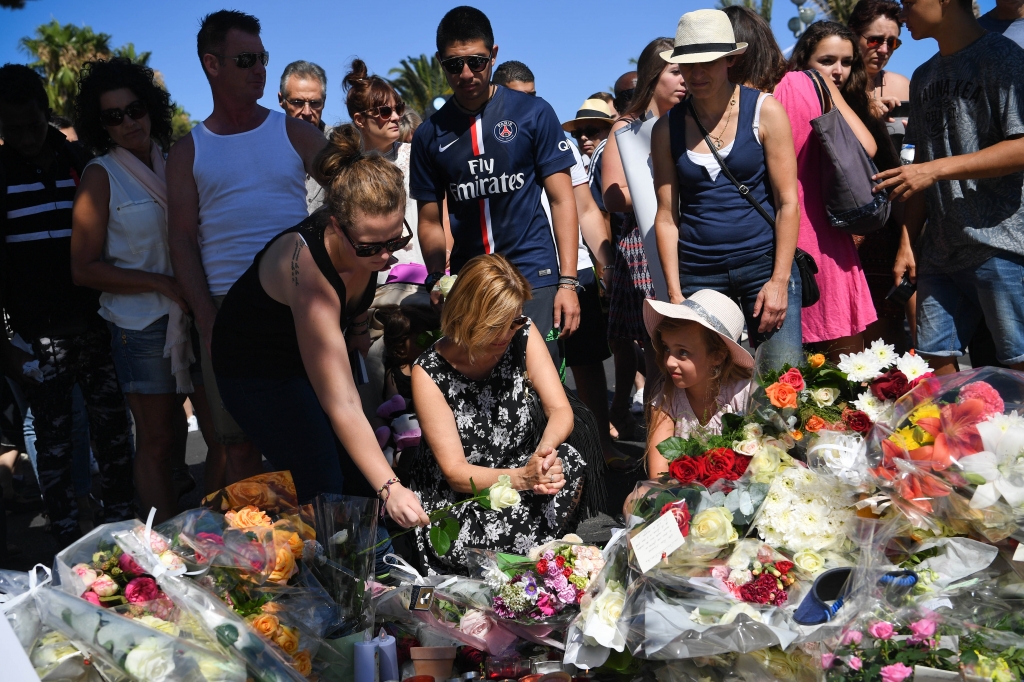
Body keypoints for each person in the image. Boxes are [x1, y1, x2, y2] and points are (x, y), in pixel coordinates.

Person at [211, 124, 429, 539]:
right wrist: (391, 487)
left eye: (396, 241)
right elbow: (342, 404)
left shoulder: (365, 248)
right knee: (323, 477)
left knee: (357, 476)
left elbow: (358, 302)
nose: (385, 257)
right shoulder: (308, 272)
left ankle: (364, 571)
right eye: (370, 247)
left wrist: (361, 327)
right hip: (254, 368)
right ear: (335, 224)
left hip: (303, 353)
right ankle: (326, 582)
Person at [167, 11, 328, 486]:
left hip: (298, 304)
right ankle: (261, 556)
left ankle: (320, 550)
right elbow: (181, 240)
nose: (259, 69)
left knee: (313, 434)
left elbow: (356, 197)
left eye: (262, 58)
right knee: (238, 447)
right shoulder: (187, 151)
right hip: (226, 309)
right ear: (211, 65)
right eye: (245, 60)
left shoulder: (296, 132)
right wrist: (208, 318)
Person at [69, 58, 214, 522]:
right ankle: (165, 549)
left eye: (134, 109)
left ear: (150, 108)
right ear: (100, 124)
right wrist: (160, 283)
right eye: (113, 116)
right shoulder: (100, 175)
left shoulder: (174, 163)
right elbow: (83, 268)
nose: (128, 121)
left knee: (222, 431)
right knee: (158, 441)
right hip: (142, 325)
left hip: (195, 313)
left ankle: (216, 538)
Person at [0, 63, 135, 546]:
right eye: (10, 128)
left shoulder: (84, 161)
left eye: (32, 125)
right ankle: (65, 538)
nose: (24, 137)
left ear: (45, 113)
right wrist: (8, 350)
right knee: (54, 448)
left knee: (116, 437)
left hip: (101, 325)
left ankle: (123, 531)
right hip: (40, 338)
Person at [410, 6, 580, 366]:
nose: (467, 73)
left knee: (543, 383)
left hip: (535, 273)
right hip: (471, 281)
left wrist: (567, 282)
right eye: (455, 65)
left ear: (494, 54)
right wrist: (436, 277)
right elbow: (428, 220)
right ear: (441, 62)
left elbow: (563, 200)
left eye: (477, 61)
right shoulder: (429, 135)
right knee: (482, 385)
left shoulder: (534, 113)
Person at [410, 254, 596, 574]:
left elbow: (559, 409)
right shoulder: (429, 373)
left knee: (569, 461)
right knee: (477, 536)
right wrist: (524, 478)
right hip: (467, 496)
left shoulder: (522, 331)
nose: (506, 335)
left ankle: (526, 556)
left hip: (522, 471)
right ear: (467, 317)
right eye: (495, 326)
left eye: (514, 321)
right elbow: (456, 473)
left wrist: (543, 454)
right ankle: (530, 556)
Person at [877, 0, 1024, 375]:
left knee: (1017, 364)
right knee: (931, 359)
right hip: (939, 252)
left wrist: (935, 171)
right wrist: (908, 243)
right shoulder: (924, 75)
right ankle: (957, 433)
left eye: (908, 3)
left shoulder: (1004, 57)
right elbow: (921, 170)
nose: (903, 14)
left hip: (1001, 246)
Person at [652, 10, 803, 370]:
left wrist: (780, 281)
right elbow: (667, 216)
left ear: (730, 60)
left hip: (764, 266)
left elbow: (787, 202)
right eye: (688, 65)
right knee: (709, 388)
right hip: (699, 273)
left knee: (781, 385)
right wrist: (675, 293)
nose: (697, 73)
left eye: (708, 63)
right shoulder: (665, 130)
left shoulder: (765, 111)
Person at [508, 68, 623, 467]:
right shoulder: (494, 144)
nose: (531, 103)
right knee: (538, 369)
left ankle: (600, 448)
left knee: (587, 362)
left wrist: (606, 266)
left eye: (535, 94)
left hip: (578, 271)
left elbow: (586, 207)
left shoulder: (557, 138)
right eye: (520, 95)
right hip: (529, 276)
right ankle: (547, 458)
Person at [789, 20, 910, 352]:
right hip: (808, 236)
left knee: (842, 361)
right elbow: (865, 148)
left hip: (832, 235)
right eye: (826, 61)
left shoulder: (836, 99)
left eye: (846, 62)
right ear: (804, 61)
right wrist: (824, 87)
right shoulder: (793, 90)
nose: (838, 70)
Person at [601, 39, 685, 439]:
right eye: (675, 71)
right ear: (654, 75)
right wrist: (665, 189)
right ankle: (658, 449)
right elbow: (611, 194)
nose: (685, 80)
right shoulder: (628, 126)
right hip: (643, 245)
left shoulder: (691, 120)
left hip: (688, 241)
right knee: (659, 357)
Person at [623, 290, 753, 517]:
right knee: (635, 499)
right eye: (667, 348)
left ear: (718, 356)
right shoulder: (667, 398)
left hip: (739, 497)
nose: (670, 361)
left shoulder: (742, 394)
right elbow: (659, 475)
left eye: (683, 352)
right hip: (685, 496)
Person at [344, 59, 423, 277]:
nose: (397, 117)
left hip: (417, 266)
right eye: (385, 111)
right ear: (360, 119)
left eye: (399, 108)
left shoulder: (414, 155)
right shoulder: (346, 166)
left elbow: (439, 210)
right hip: (367, 273)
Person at [278, 60, 330, 214]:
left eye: (315, 103)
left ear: (324, 102)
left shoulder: (340, 145)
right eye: (297, 103)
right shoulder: (265, 147)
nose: (307, 112)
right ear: (281, 100)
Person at [848, 0, 911, 119]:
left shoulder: (902, 87)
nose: (884, 50)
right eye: (875, 40)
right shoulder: (834, 83)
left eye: (892, 43)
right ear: (854, 35)